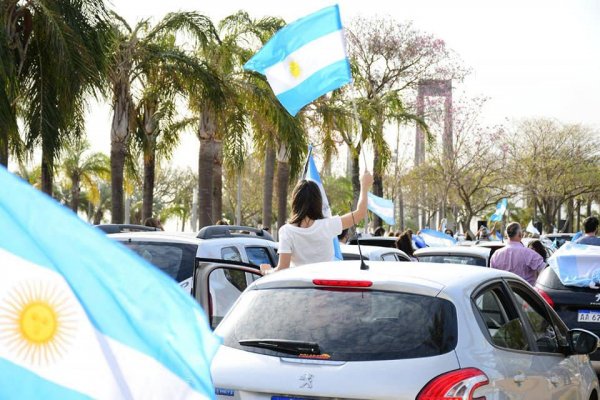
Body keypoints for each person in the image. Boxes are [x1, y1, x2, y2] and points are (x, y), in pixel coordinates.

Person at [260, 171, 373, 275]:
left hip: (299, 291)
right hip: (326, 291)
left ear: (295, 202)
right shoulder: (328, 225)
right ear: (318, 202)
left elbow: (282, 270)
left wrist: (266, 271)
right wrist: (364, 186)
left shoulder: (286, 231)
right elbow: (360, 214)